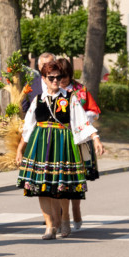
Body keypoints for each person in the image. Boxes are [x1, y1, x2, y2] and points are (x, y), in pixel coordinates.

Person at [16, 58, 103, 239]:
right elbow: (28, 127)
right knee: (41, 187)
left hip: (62, 144)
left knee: (61, 185)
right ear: (44, 78)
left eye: (58, 77)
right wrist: (20, 149)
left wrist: (96, 138)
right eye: (51, 77)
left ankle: (64, 219)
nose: (55, 81)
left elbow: (82, 121)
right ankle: (49, 227)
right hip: (40, 145)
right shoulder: (38, 99)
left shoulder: (70, 98)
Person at [57, 57, 102, 229]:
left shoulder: (80, 91)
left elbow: (95, 112)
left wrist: (83, 117)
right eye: (58, 76)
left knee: (75, 179)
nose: (61, 80)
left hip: (79, 140)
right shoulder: (51, 91)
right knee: (58, 178)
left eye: (65, 76)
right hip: (57, 140)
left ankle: (75, 210)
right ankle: (61, 215)